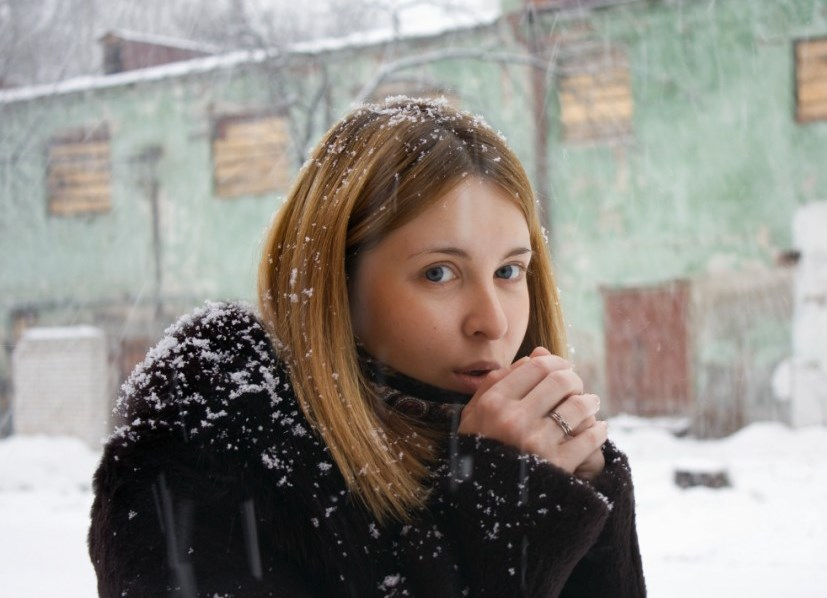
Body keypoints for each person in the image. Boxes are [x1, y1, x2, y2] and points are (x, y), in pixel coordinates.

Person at [88, 96, 646, 597]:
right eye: (438, 274)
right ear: (337, 282)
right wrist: (492, 513)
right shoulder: (210, 450)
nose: (493, 322)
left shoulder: (534, 452)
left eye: (508, 270)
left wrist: (583, 505)